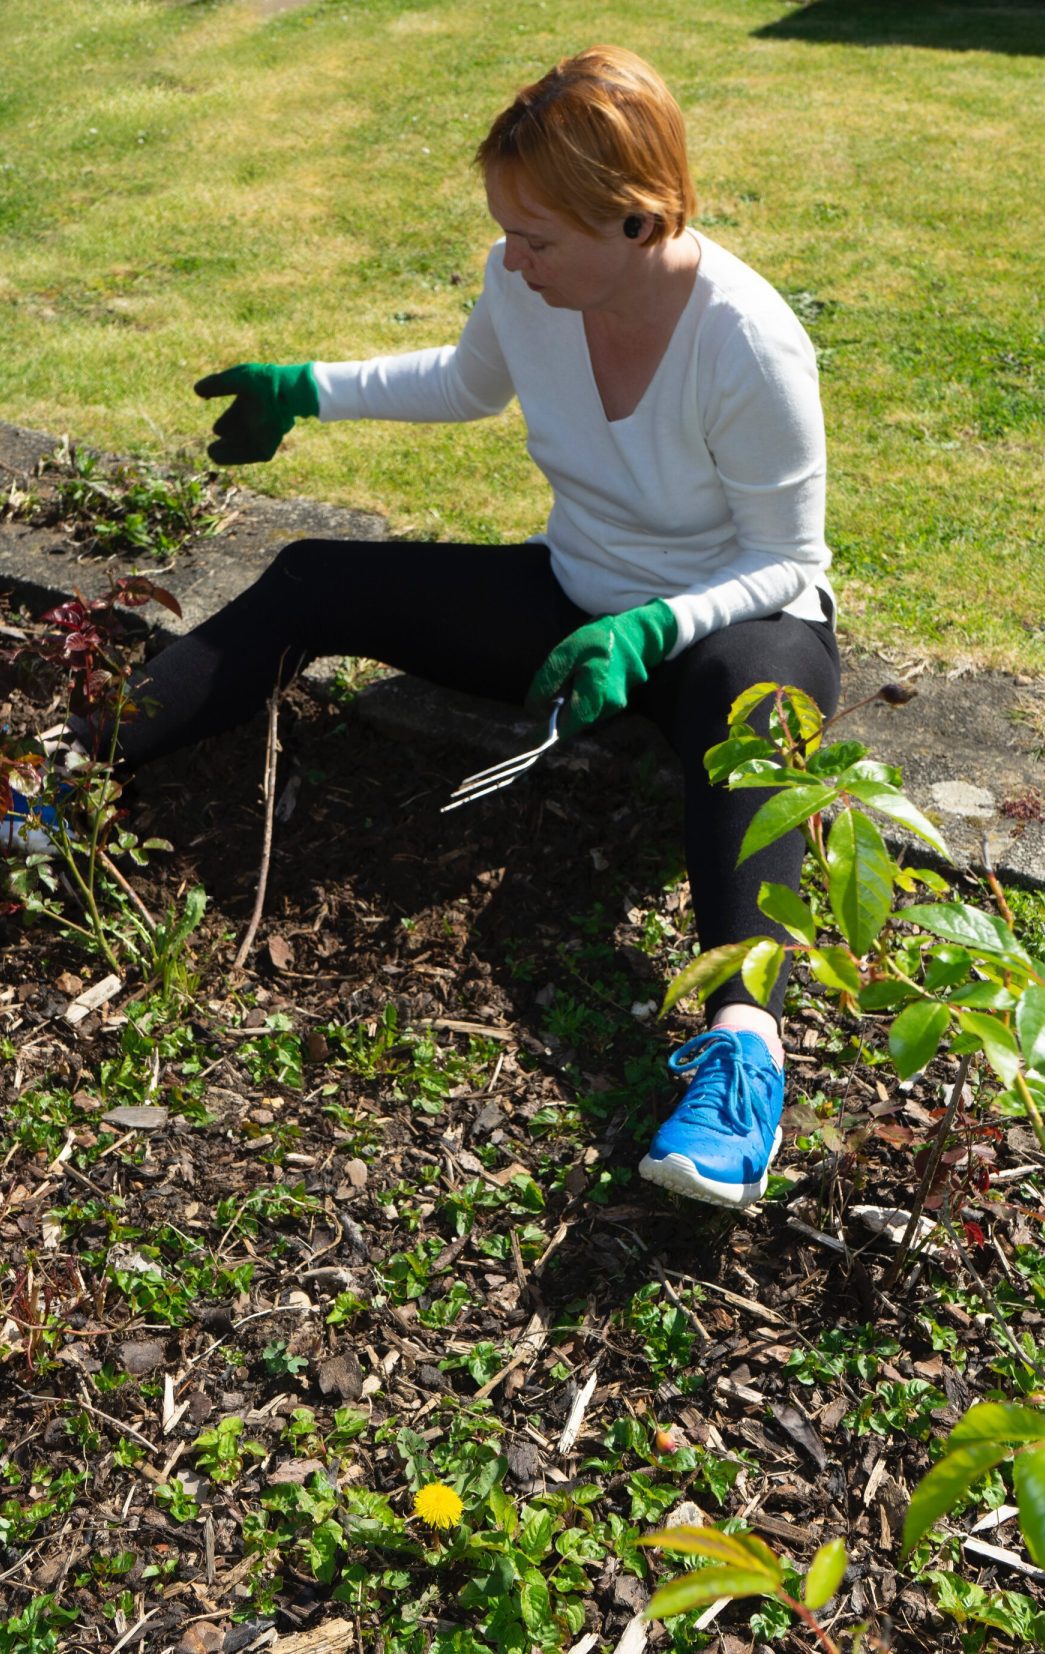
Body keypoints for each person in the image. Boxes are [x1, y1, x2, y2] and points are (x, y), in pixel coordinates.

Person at [75, 48, 844, 1205]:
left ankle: (742, 1060)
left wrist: (655, 631)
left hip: (735, 626)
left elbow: (790, 558)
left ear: (637, 220)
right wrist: (311, 387)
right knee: (312, 575)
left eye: (538, 240)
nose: (512, 261)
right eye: (507, 231)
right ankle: (57, 777)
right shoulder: (525, 282)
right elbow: (471, 380)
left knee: (754, 713)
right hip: (573, 597)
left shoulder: (749, 342)